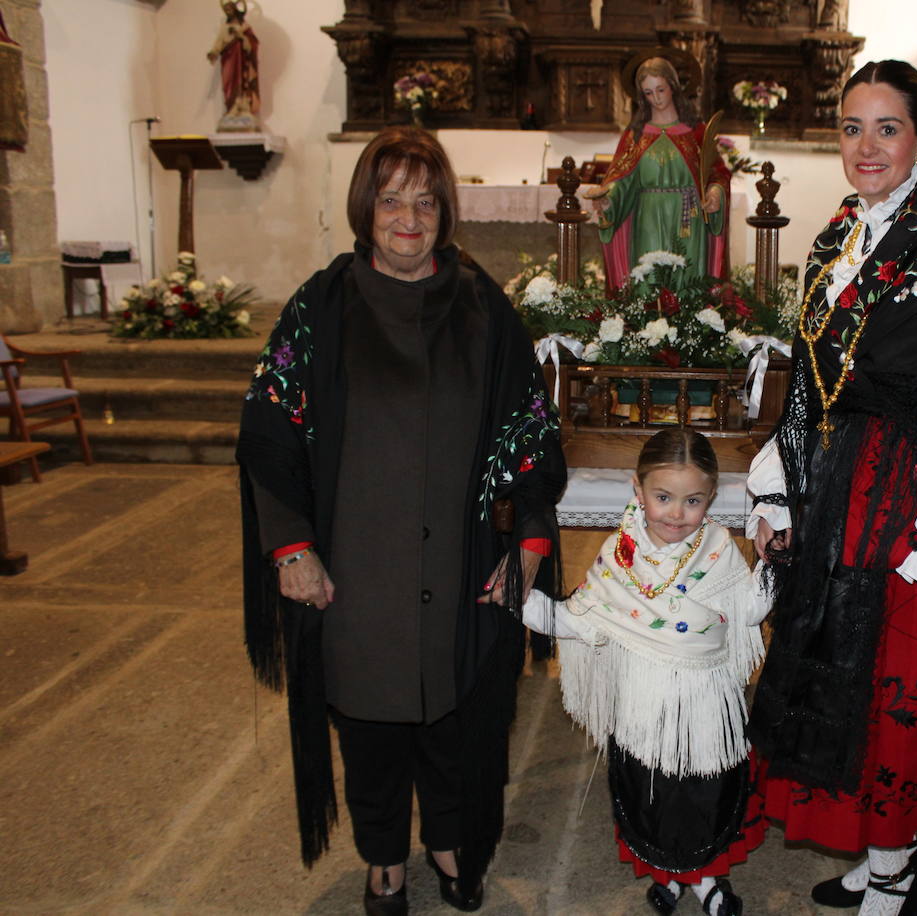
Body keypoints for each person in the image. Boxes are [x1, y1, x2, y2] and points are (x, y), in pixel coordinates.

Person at [236, 126, 566, 916]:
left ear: (446, 210)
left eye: (424, 200)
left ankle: (450, 844)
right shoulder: (321, 308)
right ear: (366, 207)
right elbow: (269, 432)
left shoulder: (485, 307)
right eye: (391, 200)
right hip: (356, 568)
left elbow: (529, 430)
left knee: (454, 726)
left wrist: (526, 545)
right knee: (370, 730)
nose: (408, 217)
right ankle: (384, 859)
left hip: (460, 566)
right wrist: (290, 547)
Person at [746, 60, 917, 916]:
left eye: (887, 128)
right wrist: (782, 485)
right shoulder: (836, 236)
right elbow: (809, 375)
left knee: (896, 672)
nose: (867, 146)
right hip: (840, 484)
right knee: (841, 674)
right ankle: (877, 850)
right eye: (853, 128)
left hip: (907, 494)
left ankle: (895, 871)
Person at [523, 427, 767, 916]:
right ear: (638, 489)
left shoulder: (718, 548)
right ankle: (670, 877)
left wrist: (775, 565)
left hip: (705, 708)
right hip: (644, 707)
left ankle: (708, 879)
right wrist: (520, 600)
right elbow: (577, 619)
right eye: (662, 497)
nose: (676, 514)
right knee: (651, 793)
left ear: (711, 497)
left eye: (693, 500)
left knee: (706, 792)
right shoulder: (619, 556)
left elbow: (748, 614)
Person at [585, 55, 732, 288]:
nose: (656, 98)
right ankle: (648, 324)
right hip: (648, 217)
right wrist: (608, 200)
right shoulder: (636, 136)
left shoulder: (695, 132)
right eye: (648, 93)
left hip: (688, 216)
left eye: (661, 90)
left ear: (673, 86)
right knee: (649, 278)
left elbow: (717, 173)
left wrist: (715, 193)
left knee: (687, 280)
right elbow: (622, 180)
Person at [206, 0, 261, 132]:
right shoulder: (224, 28)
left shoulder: (245, 27)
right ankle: (231, 108)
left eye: (230, 9)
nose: (229, 12)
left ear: (236, 10)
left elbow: (252, 45)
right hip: (228, 60)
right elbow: (219, 42)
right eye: (227, 10)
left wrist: (241, 36)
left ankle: (242, 106)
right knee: (229, 84)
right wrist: (213, 53)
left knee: (241, 82)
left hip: (241, 62)